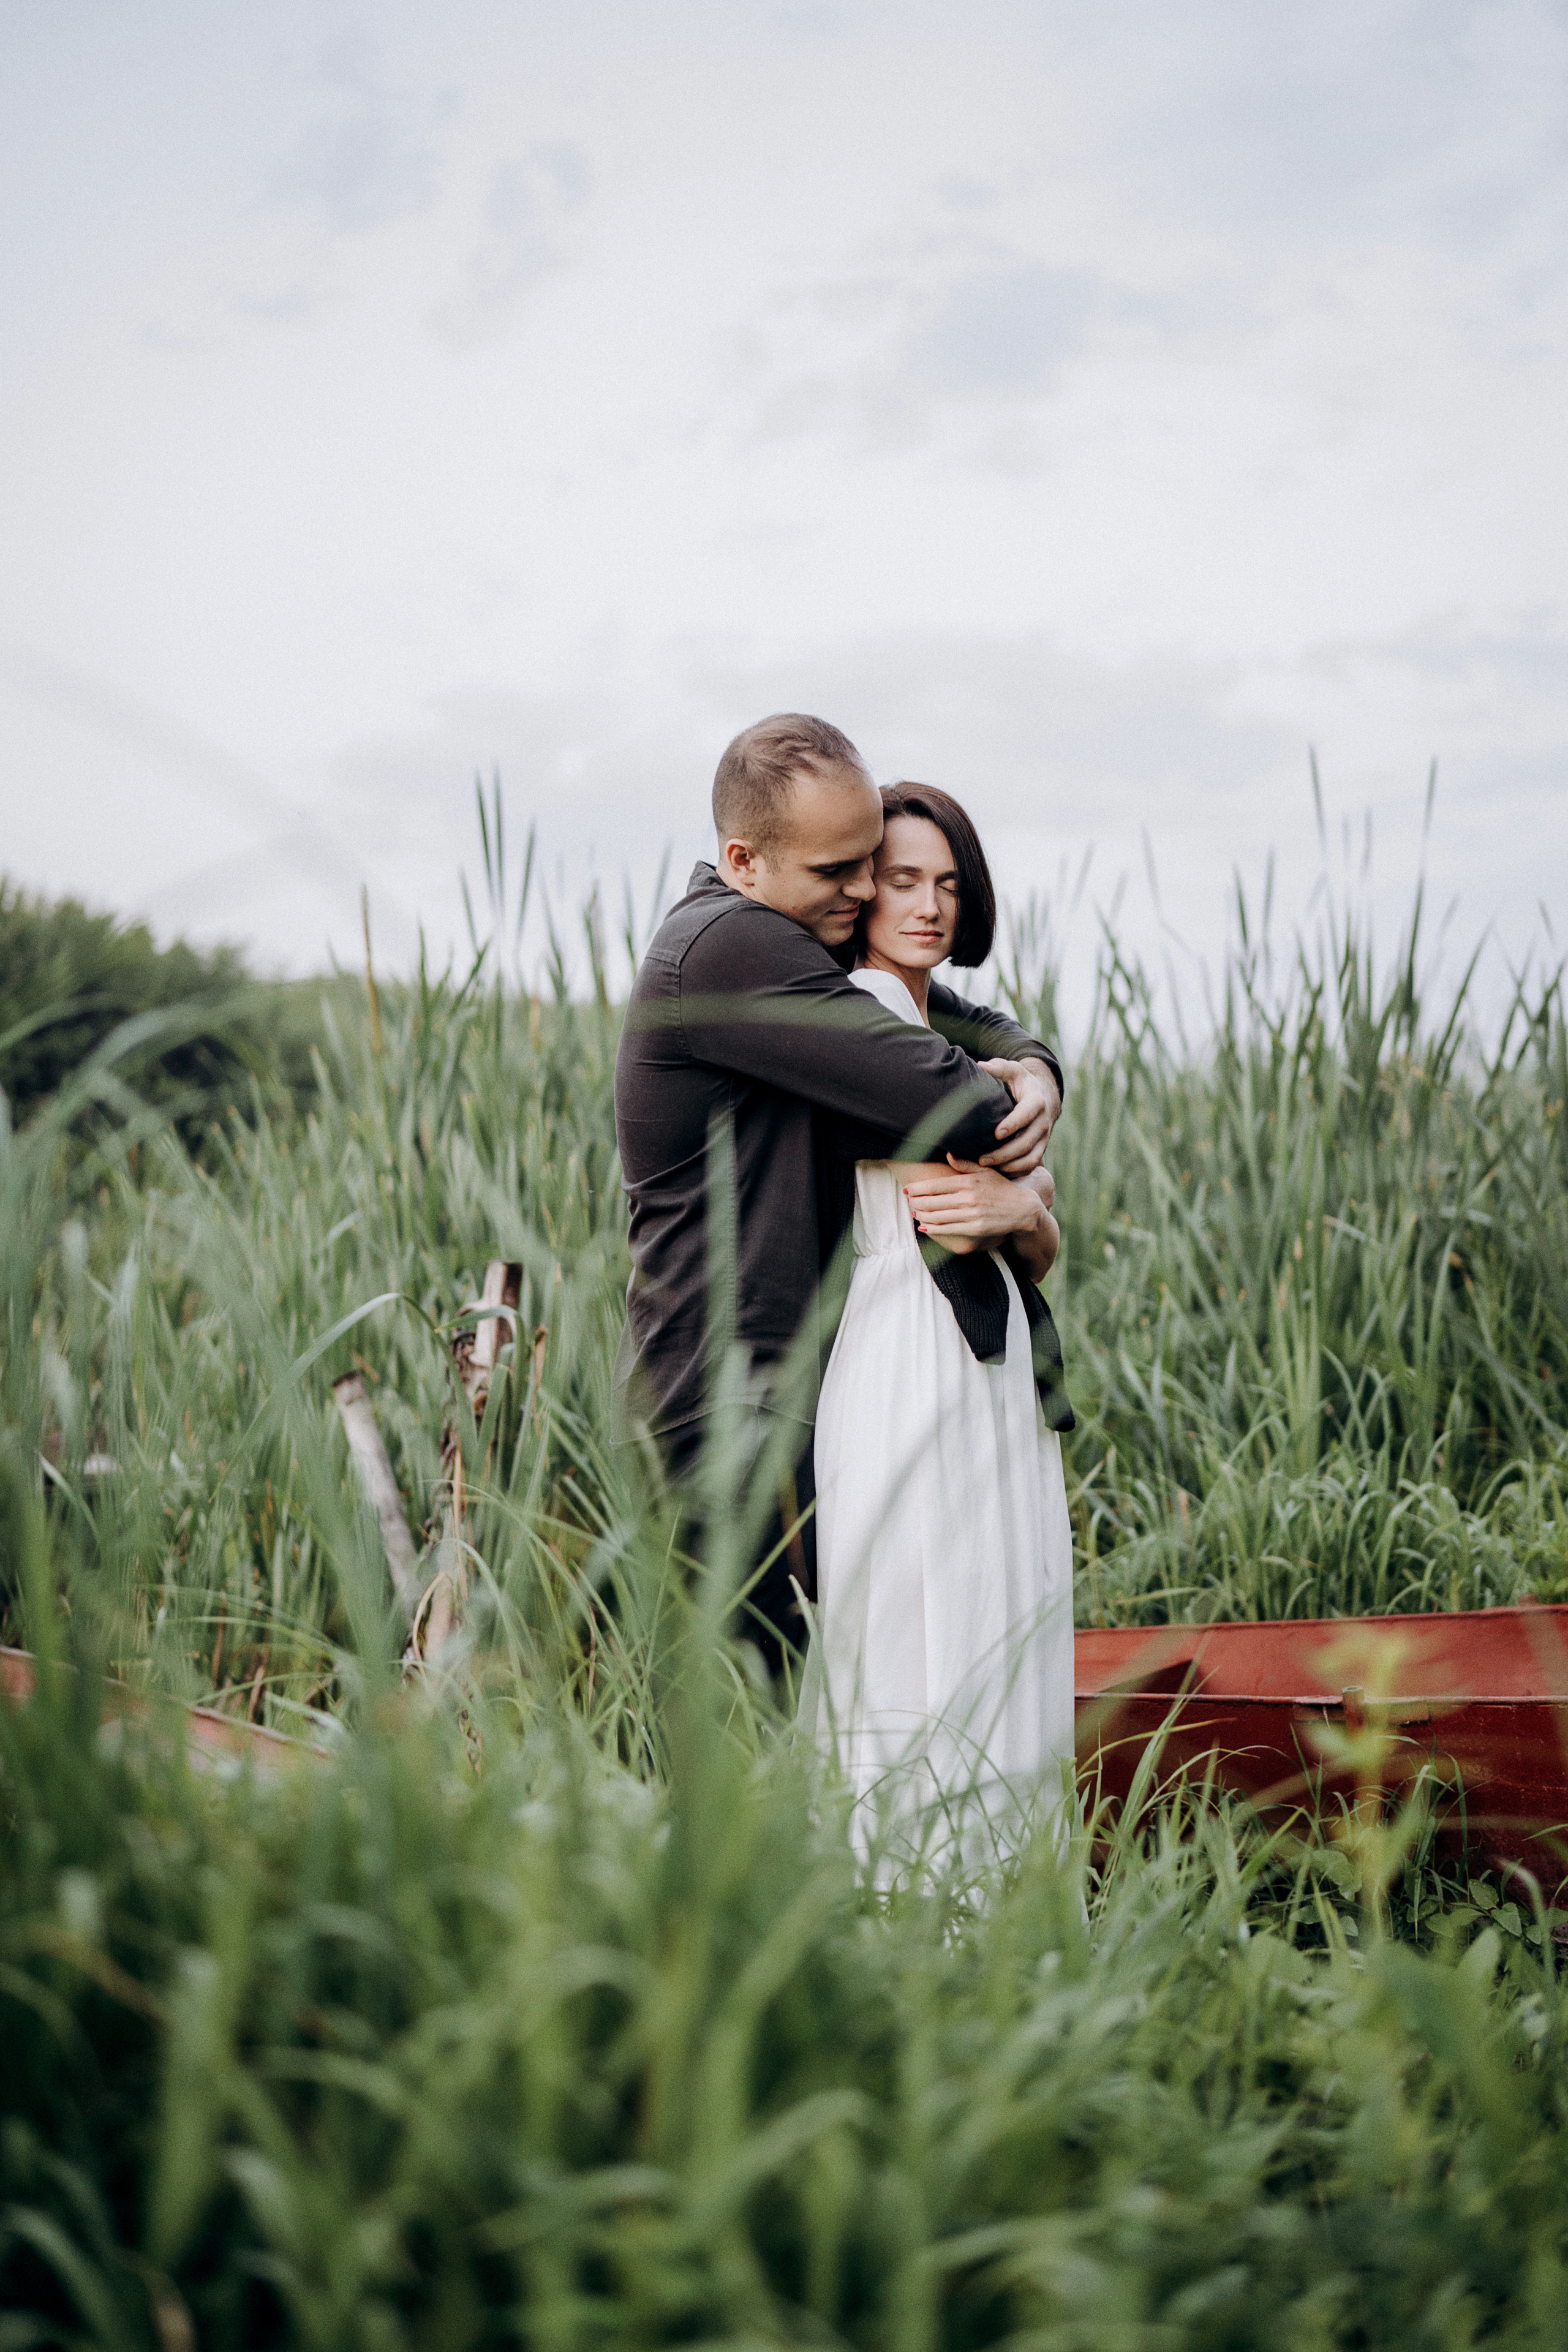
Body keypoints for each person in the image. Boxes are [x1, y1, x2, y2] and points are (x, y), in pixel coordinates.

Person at [613, 715, 1064, 1671]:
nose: (863, 890)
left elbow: (957, 1017)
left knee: (793, 1704)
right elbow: (955, 1102)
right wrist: (1022, 1148)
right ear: (743, 860)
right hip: (720, 1406)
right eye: (838, 871)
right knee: (736, 1716)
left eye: (870, 862)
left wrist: (1036, 1066)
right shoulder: (731, 948)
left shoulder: (788, 940)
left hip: (776, 1395)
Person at [799, 782, 1076, 1850]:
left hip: (977, 1360)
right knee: (930, 1617)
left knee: (992, 1603)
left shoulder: (929, 1022)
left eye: (949, 884)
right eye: (904, 879)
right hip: (912, 1351)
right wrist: (1028, 1179)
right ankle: (926, 1894)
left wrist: (1027, 1207)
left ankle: (992, 1891)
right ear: (861, 889)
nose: (929, 905)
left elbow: (1023, 1240)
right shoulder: (864, 1016)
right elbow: (966, 1186)